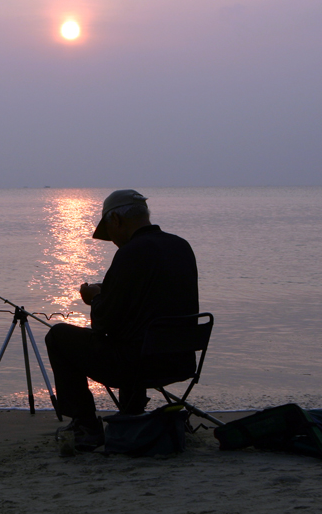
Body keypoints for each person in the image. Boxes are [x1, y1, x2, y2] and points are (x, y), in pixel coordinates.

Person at [45, 189, 199, 451]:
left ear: (116, 219)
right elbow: (153, 301)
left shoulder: (130, 253)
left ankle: (86, 424)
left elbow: (106, 322)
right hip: (179, 361)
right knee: (135, 337)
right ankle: (132, 411)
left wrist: (95, 298)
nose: (113, 241)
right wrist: (109, 294)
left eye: (110, 231)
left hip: (138, 365)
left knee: (59, 336)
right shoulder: (181, 246)